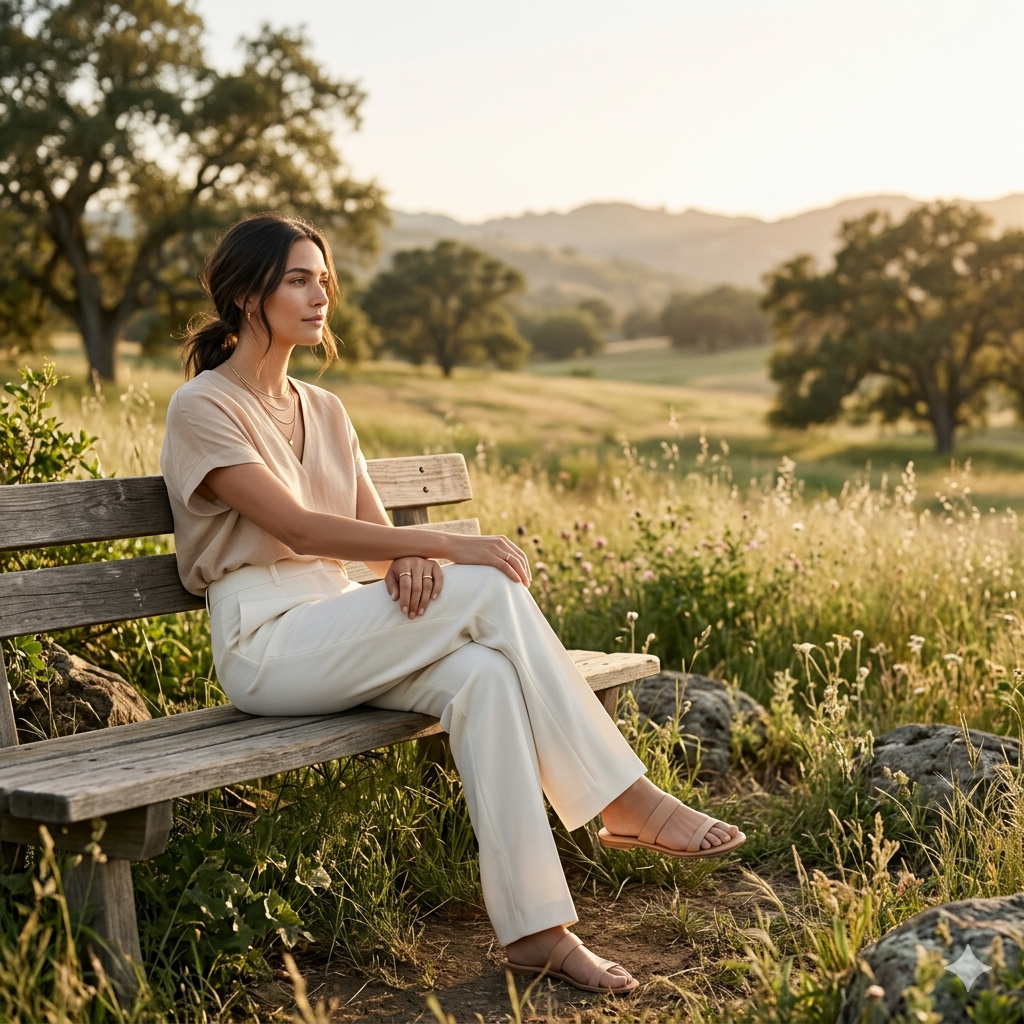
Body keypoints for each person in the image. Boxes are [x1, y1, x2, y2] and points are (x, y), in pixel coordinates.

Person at [160, 212, 745, 996]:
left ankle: (537, 929)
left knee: (484, 678)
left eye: (322, 279)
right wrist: (446, 548)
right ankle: (625, 798)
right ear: (244, 294)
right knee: (486, 581)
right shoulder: (203, 406)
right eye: (298, 279)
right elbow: (294, 525)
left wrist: (404, 555)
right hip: (265, 642)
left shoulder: (325, 410)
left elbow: (370, 535)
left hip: (338, 617)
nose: (318, 295)